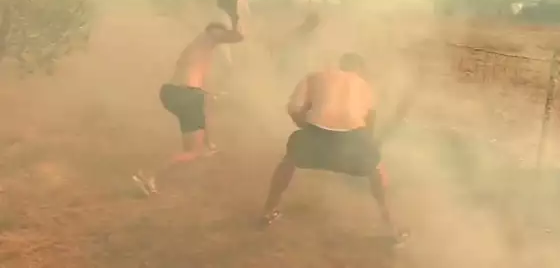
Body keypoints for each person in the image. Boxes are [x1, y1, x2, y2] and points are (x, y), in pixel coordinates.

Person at [259, 53, 405, 244]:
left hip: (315, 133)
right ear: (359, 68)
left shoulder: (316, 76)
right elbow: (369, 124)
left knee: (289, 160)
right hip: (353, 136)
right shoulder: (364, 85)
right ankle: (391, 226)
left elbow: (294, 108)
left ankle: (268, 211)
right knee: (376, 168)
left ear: (340, 65)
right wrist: (364, 147)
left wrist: (308, 128)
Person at [133, 22, 243, 196]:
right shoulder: (205, 40)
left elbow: (203, 103)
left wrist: (209, 142)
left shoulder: (201, 53)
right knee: (192, 151)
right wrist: (237, 15)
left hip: (178, 93)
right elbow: (237, 37)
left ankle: (204, 147)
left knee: (194, 140)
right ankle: (148, 174)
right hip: (185, 94)